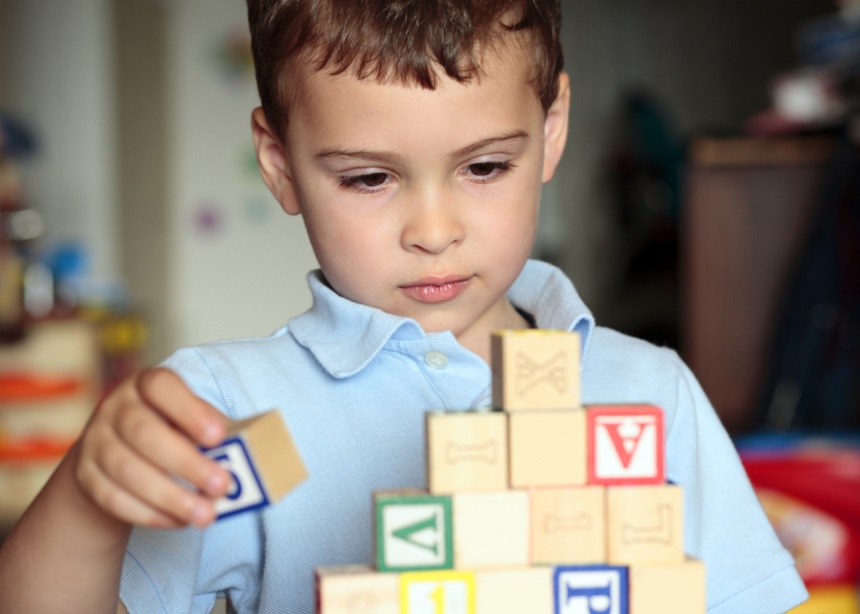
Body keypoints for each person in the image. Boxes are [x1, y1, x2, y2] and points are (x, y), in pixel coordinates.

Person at [0, 0, 808, 612]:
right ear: (279, 165)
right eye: (369, 178)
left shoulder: (651, 393)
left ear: (552, 129)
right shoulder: (227, 409)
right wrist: (86, 500)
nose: (433, 231)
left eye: (485, 167)